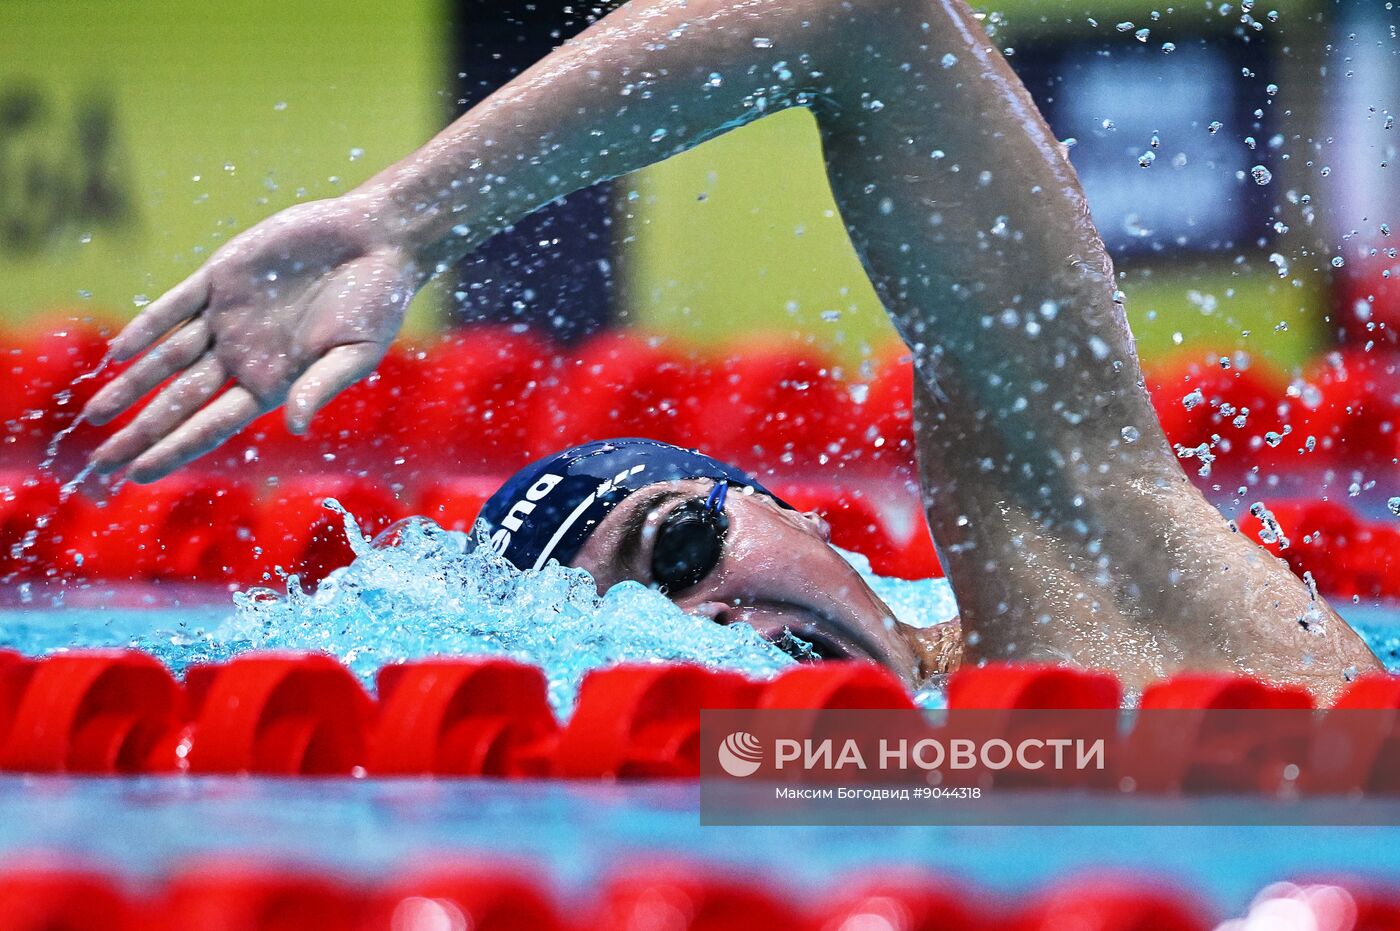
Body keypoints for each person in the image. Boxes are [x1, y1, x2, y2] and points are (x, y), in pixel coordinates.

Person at [79, 0, 1380, 699]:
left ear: (804, 518)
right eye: (641, 628)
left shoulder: (1079, 572)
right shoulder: (774, 792)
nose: (704, 620)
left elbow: (860, 15)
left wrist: (402, 221)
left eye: (678, 546)